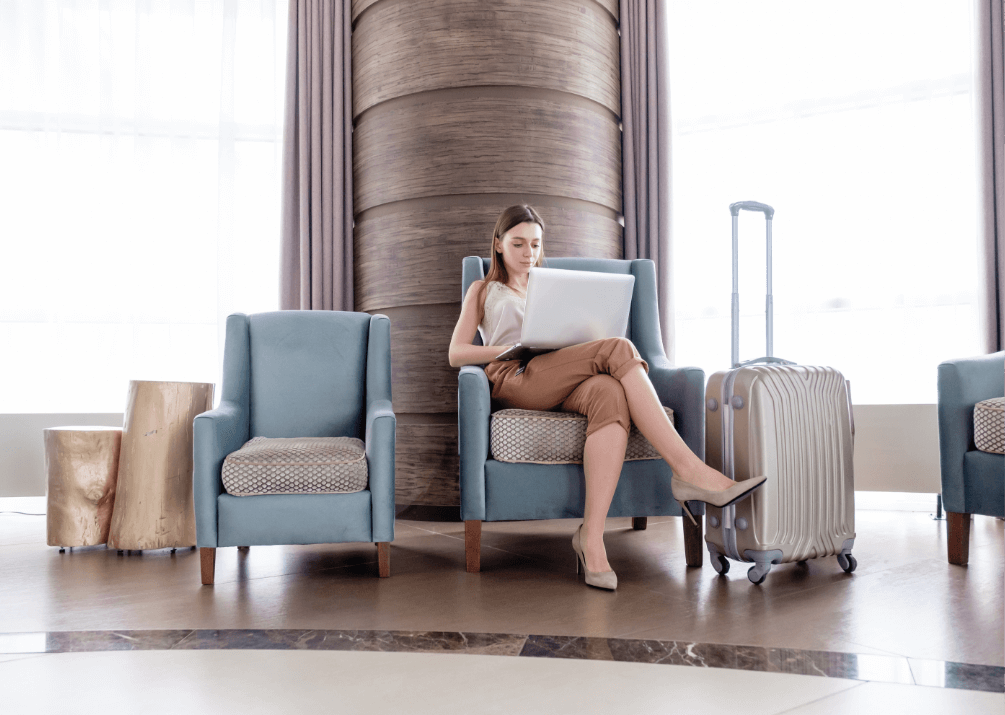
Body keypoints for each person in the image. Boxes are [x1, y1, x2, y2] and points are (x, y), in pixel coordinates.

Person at [448, 205, 765, 590]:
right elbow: (457, 353)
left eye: (534, 244)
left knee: (610, 393)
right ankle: (689, 471)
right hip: (515, 375)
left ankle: (592, 537)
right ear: (498, 245)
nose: (528, 253)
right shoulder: (482, 288)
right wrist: (507, 348)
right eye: (518, 244)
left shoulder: (550, 283)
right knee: (618, 348)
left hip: (560, 370)